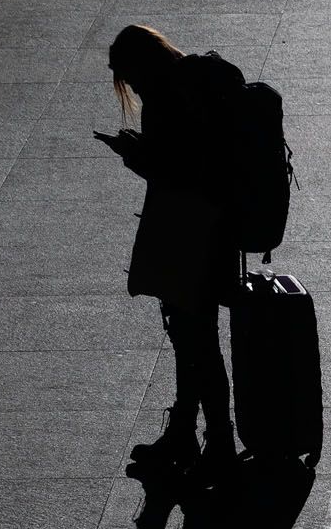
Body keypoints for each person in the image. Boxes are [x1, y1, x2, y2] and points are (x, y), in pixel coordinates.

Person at [99, 24, 244, 483]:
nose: (133, 87)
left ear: (142, 65)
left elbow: (176, 172)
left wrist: (132, 154)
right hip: (213, 231)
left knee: (196, 341)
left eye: (130, 77)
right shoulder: (195, 83)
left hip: (187, 237)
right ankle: (186, 431)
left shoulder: (166, 98)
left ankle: (218, 442)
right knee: (192, 339)